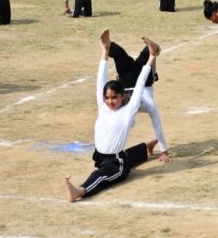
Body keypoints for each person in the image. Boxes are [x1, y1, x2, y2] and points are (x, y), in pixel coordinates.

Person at [64, 31, 160, 202]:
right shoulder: (103, 107)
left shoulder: (128, 110)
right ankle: (146, 148)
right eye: (107, 98)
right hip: (100, 156)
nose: (110, 101)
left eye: (114, 97)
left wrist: (151, 58)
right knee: (120, 157)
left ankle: (79, 191)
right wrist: (105, 51)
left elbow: (139, 85)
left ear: (123, 97)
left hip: (116, 164)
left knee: (101, 175)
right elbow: (100, 81)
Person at [105, 31, 170, 163]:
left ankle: (153, 46)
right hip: (141, 79)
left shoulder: (148, 103)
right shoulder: (122, 105)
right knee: (142, 51)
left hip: (128, 79)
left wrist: (164, 152)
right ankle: (106, 44)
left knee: (122, 54)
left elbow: (157, 123)